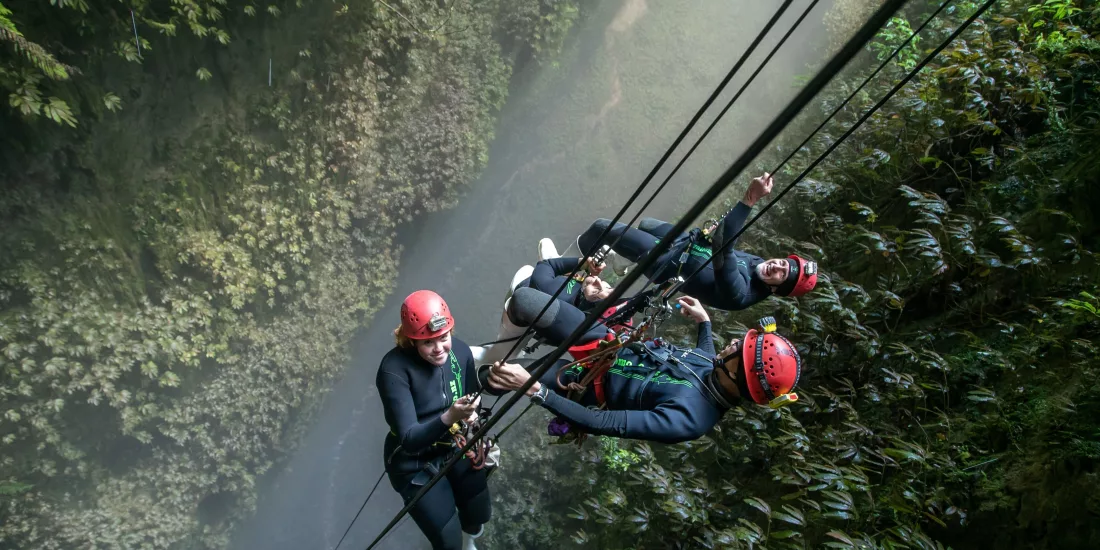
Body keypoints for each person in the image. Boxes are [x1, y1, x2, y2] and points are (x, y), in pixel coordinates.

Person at [483, 287, 803, 444]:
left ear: (740, 375)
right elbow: (703, 353)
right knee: (525, 300)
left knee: (491, 379)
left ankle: (500, 365)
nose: (733, 343)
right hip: (607, 344)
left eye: (741, 349)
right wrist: (704, 321)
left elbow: (602, 423)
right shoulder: (715, 367)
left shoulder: (688, 420)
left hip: (586, 387)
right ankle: (515, 337)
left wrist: (535, 389)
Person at [576, 173, 818, 311]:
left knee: (601, 228)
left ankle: (582, 265)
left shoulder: (740, 294)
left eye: (781, 274)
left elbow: (724, 250)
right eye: (783, 263)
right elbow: (720, 246)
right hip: (685, 244)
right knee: (646, 224)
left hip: (666, 262)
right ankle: (620, 260)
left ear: (775, 289)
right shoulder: (760, 265)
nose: (776, 266)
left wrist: (750, 198)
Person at [376, 290, 494, 550]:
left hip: (456, 442)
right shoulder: (394, 370)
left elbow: (472, 393)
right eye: (428, 343)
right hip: (413, 463)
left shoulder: (460, 352)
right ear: (412, 341)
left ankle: (471, 542)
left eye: (443, 337)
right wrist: (451, 415)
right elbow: (408, 439)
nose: (439, 348)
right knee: (448, 541)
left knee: (478, 515)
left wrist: (472, 411)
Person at [470, 239, 621, 365]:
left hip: (524, 296)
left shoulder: (551, 291)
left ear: (590, 300)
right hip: (540, 285)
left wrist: (582, 264)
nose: (597, 280)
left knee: (500, 357)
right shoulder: (578, 294)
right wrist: (585, 264)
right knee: (546, 243)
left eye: (598, 289)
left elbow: (546, 265)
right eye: (605, 283)